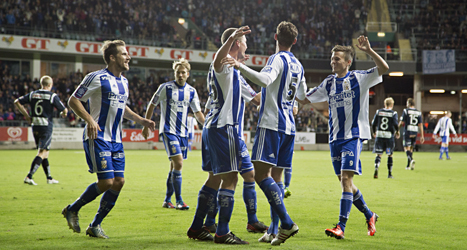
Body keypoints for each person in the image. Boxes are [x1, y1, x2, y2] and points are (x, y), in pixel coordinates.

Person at [221, 21, 305, 245]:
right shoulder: (298, 64)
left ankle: (287, 224)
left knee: (260, 175)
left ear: (276, 38)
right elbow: (303, 94)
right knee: (276, 179)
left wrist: (240, 67)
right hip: (289, 127)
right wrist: (294, 105)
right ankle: (274, 231)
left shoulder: (276, 58)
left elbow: (265, 80)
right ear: (295, 41)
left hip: (271, 124)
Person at [62, 40, 156, 239]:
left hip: (116, 140)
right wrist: (89, 120)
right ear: (112, 57)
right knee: (106, 182)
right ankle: (72, 209)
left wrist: (141, 120)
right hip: (97, 137)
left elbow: (122, 108)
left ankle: (95, 225)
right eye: (124, 54)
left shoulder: (124, 81)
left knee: (119, 182)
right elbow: (73, 100)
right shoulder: (96, 77)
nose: (128, 57)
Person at [302, 35, 389, 239]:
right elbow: (306, 97)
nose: (333, 62)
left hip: (353, 136)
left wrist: (369, 51)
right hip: (335, 139)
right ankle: (370, 215)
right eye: (332, 59)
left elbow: (384, 68)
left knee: (347, 179)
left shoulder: (359, 77)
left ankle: (341, 226)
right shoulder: (329, 83)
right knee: (345, 182)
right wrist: (294, 100)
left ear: (348, 62)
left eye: (337, 59)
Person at [186, 26, 255, 245]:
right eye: (243, 42)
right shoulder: (223, 64)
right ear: (236, 43)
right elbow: (217, 59)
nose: (246, 45)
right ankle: (222, 232)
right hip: (225, 128)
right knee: (231, 178)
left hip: (214, 127)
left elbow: (257, 98)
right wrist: (232, 37)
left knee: (215, 178)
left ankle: (198, 227)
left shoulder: (234, 70)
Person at [142, 58, 205, 210]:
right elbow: (152, 104)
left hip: (183, 133)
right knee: (178, 162)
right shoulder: (165, 88)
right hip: (168, 131)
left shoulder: (191, 91)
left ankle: (167, 200)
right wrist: (146, 124)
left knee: (174, 167)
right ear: (174, 73)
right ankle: (179, 200)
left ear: (188, 74)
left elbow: (197, 113)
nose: (180, 75)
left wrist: (208, 127)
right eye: (178, 72)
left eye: (183, 73)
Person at [14, 75, 67, 185]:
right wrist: (63, 114)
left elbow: (17, 102)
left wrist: (27, 116)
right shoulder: (52, 96)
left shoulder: (33, 94)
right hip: (46, 126)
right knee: (42, 153)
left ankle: (49, 178)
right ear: (50, 85)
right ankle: (29, 176)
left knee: (44, 152)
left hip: (35, 125)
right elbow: (64, 110)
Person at [371, 97, 399, 179]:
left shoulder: (379, 112)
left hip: (379, 135)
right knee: (389, 154)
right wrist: (397, 131)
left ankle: (376, 167)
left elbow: (373, 123)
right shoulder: (393, 113)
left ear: (384, 104)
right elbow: (395, 124)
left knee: (379, 154)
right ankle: (389, 174)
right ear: (392, 104)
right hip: (388, 136)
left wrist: (374, 132)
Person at [399, 98, 425, 170]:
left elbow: (402, 122)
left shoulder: (406, 111)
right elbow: (420, 124)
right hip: (415, 131)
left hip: (408, 130)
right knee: (411, 148)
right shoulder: (418, 112)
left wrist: (397, 129)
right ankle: (408, 165)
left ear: (409, 103)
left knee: (406, 147)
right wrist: (422, 135)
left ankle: (411, 159)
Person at [284, 101, 299, 198]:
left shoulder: (291, 94)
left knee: (287, 161)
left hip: (288, 129)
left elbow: (295, 110)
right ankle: (281, 186)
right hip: (284, 129)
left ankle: (286, 187)